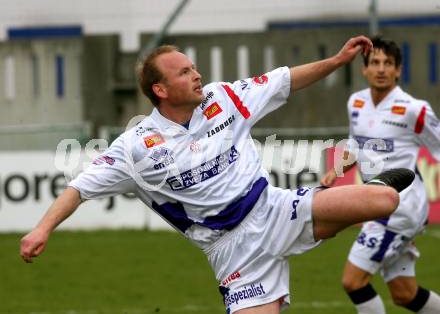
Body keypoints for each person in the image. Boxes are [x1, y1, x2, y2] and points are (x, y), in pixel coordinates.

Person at [21, 36, 415, 314]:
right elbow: (78, 188)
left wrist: (336, 61)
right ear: (160, 88)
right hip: (232, 250)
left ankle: (325, 217)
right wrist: (43, 229)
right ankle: (321, 225)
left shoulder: (223, 97)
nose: (197, 75)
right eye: (184, 72)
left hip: (275, 208)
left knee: (385, 199)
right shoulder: (135, 146)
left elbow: (285, 80)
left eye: (194, 67)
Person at [321, 37, 440, 314]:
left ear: (398, 70)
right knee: (404, 293)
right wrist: (335, 170)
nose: (381, 69)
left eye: (388, 63)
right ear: (364, 69)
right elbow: (355, 145)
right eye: (375, 62)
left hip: (399, 208)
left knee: (353, 281)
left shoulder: (414, 109)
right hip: (376, 204)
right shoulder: (356, 103)